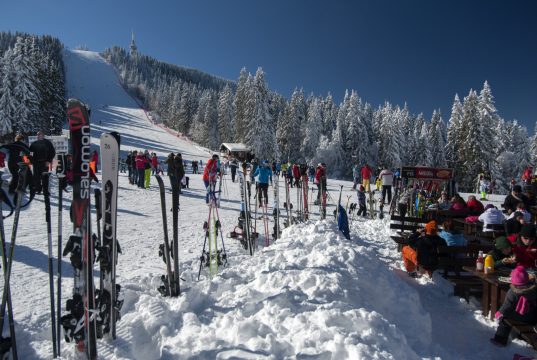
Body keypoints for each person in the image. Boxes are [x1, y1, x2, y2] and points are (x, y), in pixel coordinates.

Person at [490, 265, 537, 347]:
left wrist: (499, 313)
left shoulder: (512, 292)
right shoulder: (533, 289)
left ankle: (500, 339)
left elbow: (507, 306)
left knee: (504, 319)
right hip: (530, 317)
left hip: (518, 316)